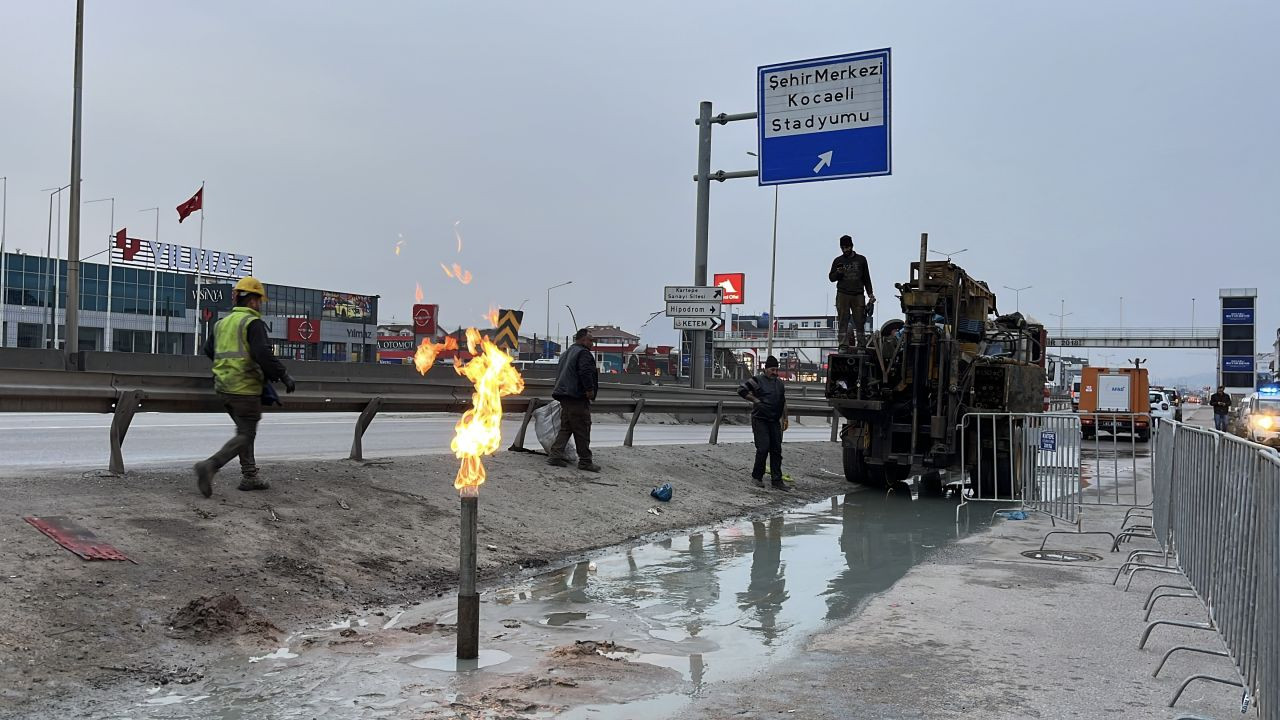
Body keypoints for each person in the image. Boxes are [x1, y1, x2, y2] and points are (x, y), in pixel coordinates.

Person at [193, 276, 295, 497]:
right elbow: (263, 354)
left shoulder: (222, 323)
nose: (260, 305)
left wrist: (227, 366)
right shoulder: (252, 323)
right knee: (247, 434)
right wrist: (283, 375)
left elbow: (208, 350)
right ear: (253, 301)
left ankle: (250, 476)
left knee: (243, 432)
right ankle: (210, 465)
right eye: (259, 300)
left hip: (223, 387)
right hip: (244, 388)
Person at [548, 328, 601, 472]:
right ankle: (585, 461)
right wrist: (589, 390)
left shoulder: (566, 353)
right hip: (576, 396)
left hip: (565, 396)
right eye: (590, 340)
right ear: (582, 339)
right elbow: (585, 372)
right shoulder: (583, 353)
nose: (592, 344)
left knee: (567, 427)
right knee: (582, 428)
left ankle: (555, 455)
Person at [739, 355, 789, 491]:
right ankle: (757, 477)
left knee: (776, 450)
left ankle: (777, 480)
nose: (775, 372)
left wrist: (785, 418)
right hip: (760, 419)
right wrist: (756, 401)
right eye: (772, 369)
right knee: (763, 448)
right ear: (766, 369)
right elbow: (741, 390)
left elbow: (783, 401)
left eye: (776, 370)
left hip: (774, 420)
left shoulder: (779, 383)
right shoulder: (757, 380)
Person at [828, 235, 875, 351]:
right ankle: (843, 345)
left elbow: (866, 277)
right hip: (843, 294)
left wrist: (870, 293)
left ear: (852, 246)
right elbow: (831, 277)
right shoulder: (838, 261)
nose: (845, 250)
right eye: (843, 248)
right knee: (843, 320)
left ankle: (861, 346)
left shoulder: (861, 260)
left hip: (858, 294)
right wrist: (839, 273)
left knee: (860, 321)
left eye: (847, 247)